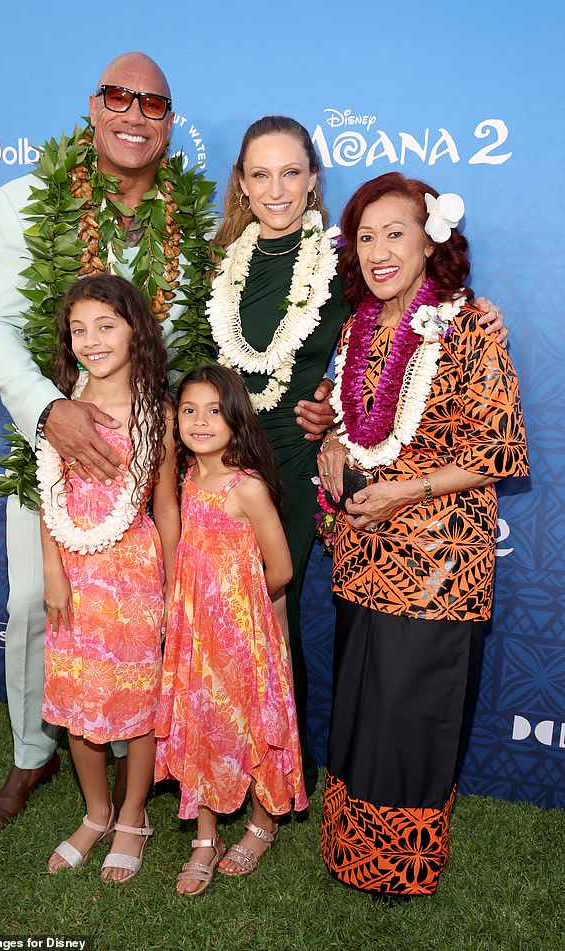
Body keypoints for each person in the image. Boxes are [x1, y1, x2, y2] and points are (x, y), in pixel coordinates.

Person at [206, 115, 508, 793]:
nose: (276, 187)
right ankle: (220, 775)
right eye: (260, 172)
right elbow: (345, 394)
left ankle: (280, 791)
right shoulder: (225, 269)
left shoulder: (345, 271)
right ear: (242, 183)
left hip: (379, 522)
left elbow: (478, 428)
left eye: (292, 171)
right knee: (245, 634)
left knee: (289, 632)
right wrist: (335, 429)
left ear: (313, 179)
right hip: (269, 491)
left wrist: (476, 310)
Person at [0, 51, 215, 832]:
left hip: (153, 452)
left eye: (152, 102)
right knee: (37, 604)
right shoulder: (21, 200)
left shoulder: (198, 222)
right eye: (118, 96)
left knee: (148, 615)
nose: (134, 113)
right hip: (55, 451)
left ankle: (152, 745)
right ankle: (32, 750)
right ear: (92, 106)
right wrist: (50, 411)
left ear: (169, 123)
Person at [318, 172, 528, 902]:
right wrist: (337, 447)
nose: (379, 251)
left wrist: (407, 489)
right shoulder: (359, 327)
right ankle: (349, 849)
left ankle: (399, 865)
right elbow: (355, 423)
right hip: (362, 554)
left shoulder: (471, 323)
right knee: (363, 708)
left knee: (410, 714)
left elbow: (498, 448)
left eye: (395, 232)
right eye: (366, 236)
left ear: (431, 238)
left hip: (438, 563)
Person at [39, 274, 179, 882]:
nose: (91, 340)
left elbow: (167, 507)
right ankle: (95, 813)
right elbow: (48, 493)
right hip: (72, 569)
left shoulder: (159, 413)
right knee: (77, 700)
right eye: (78, 330)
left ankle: (132, 816)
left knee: (137, 703)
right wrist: (53, 570)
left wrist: (174, 588)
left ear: (134, 330)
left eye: (106, 325)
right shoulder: (61, 407)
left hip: (134, 572)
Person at [155, 364, 308, 896]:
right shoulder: (188, 478)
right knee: (199, 722)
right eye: (189, 411)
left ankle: (263, 824)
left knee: (253, 723)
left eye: (213, 411)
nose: (199, 421)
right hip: (197, 639)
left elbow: (282, 570)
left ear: (236, 418)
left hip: (245, 639)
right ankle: (204, 837)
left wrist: (236, 612)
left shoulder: (248, 488)